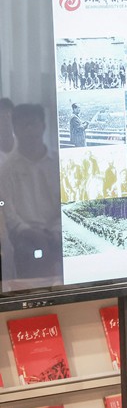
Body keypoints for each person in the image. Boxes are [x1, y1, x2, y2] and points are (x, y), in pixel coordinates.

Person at [0, 103, 63, 287]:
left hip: (58, 233)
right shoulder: (6, 169)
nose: (29, 130)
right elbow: (9, 213)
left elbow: (69, 205)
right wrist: (29, 231)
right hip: (24, 237)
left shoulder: (59, 163)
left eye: (33, 124)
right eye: (23, 125)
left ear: (43, 126)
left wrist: (55, 232)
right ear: (15, 128)